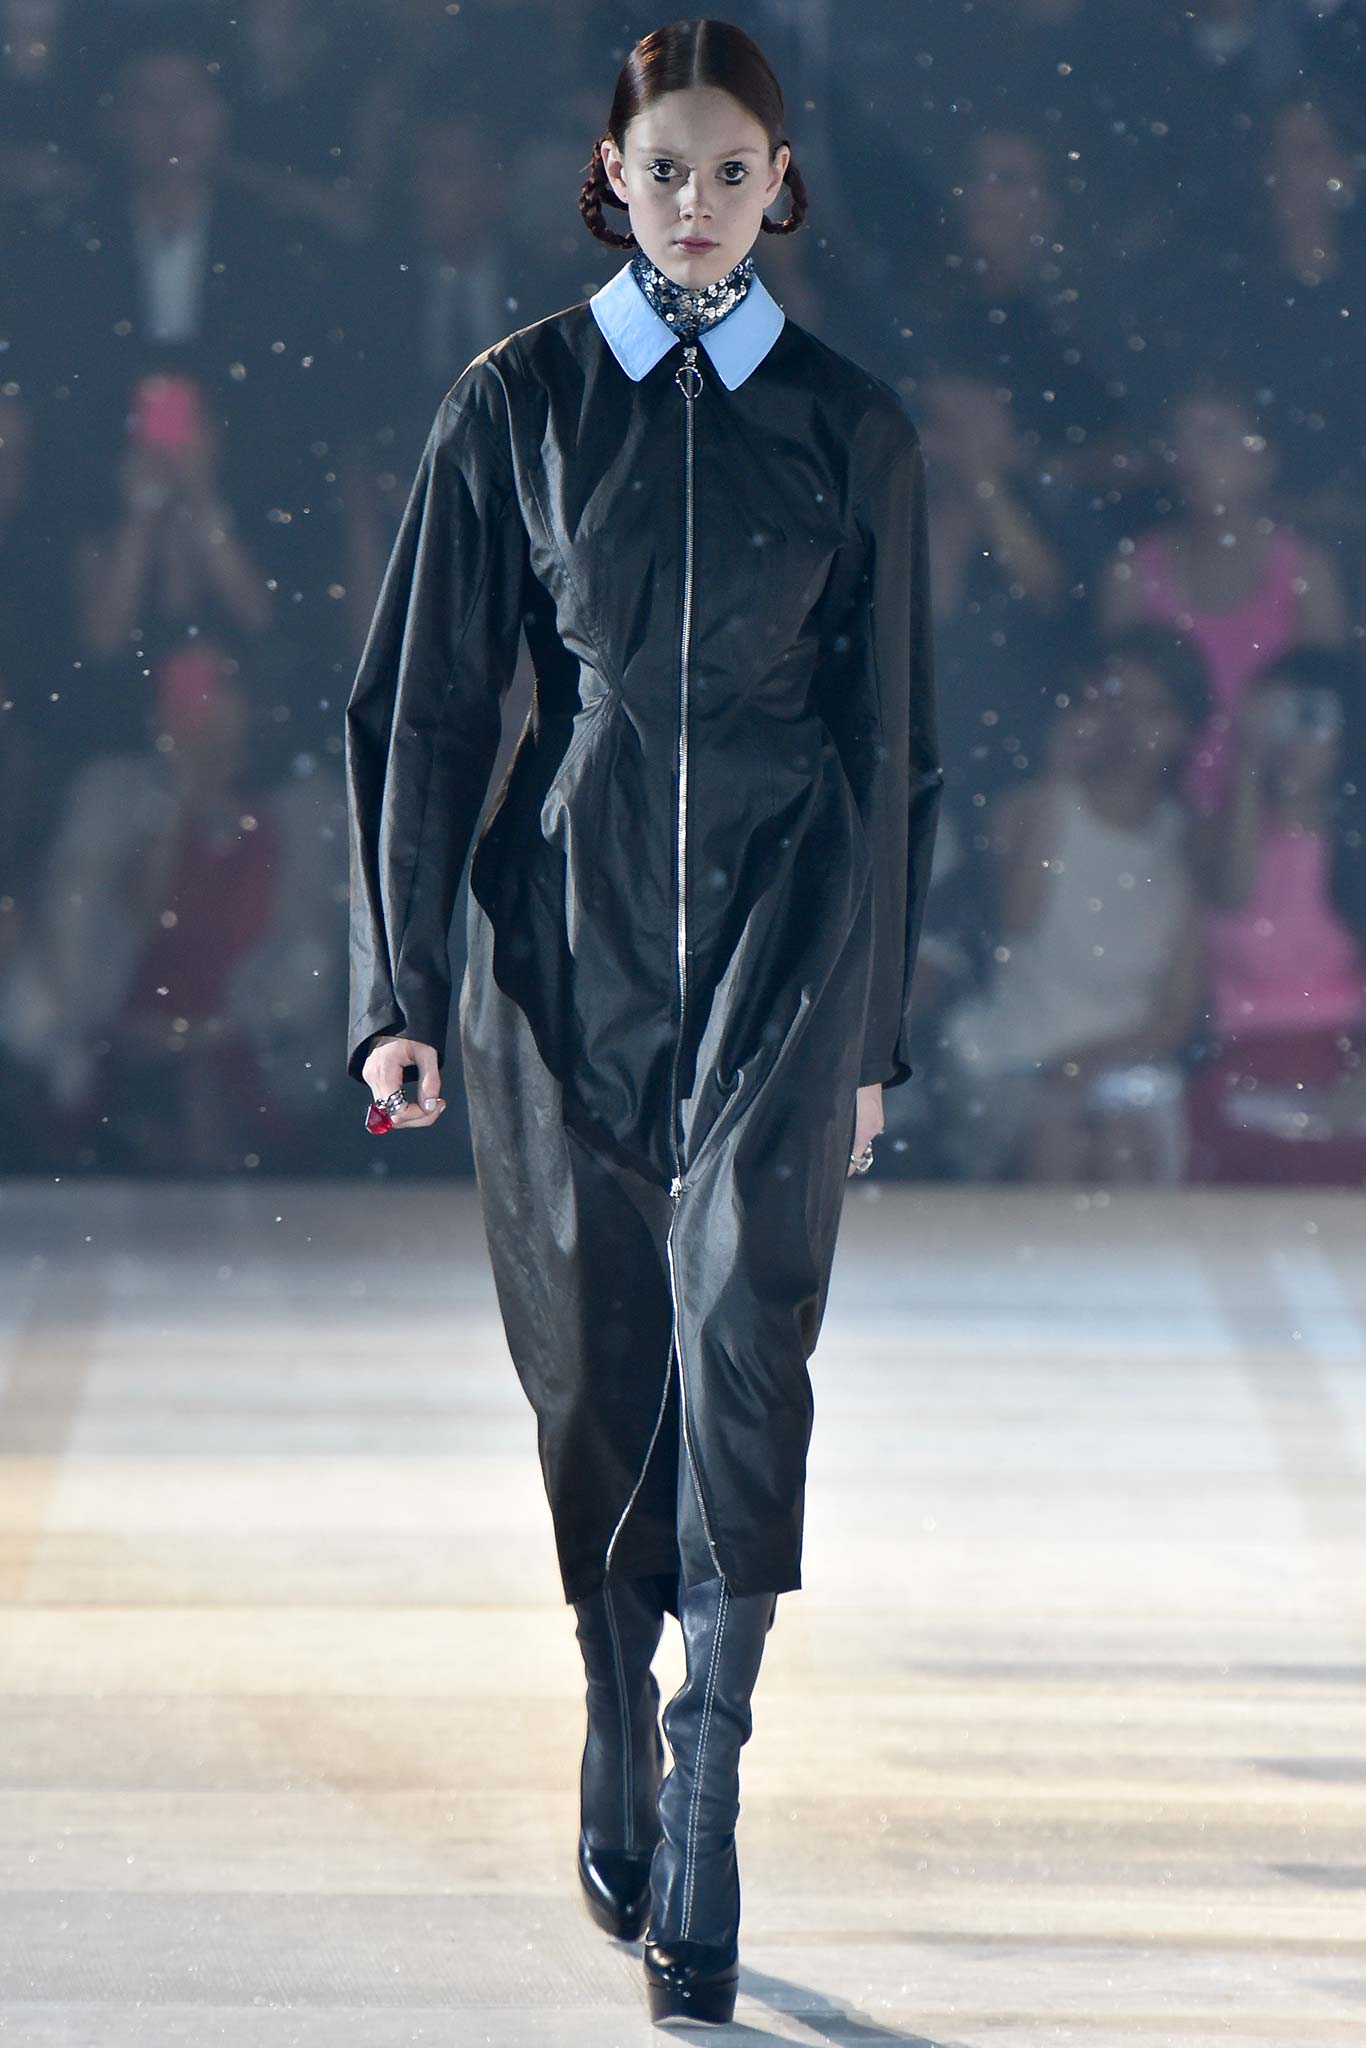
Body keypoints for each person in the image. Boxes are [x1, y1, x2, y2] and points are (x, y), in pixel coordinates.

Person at [343, 19, 942, 2027]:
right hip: (560, 933)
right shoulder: (515, 401)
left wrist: (870, 1033)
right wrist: (399, 984)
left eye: (730, 170)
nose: (695, 203)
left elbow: (892, 738)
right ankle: (619, 1698)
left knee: (743, 1326)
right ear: (611, 173)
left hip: (788, 918)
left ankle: (710, 1772)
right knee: (595, 1367)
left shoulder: (849, 426)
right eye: (662, 167)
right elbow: (424, 705)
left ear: (782, 184)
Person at [939, 626, 1212, 1184]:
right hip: (1014, 1060)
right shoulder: (1026, 809)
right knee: (1056, 1147)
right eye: (1114, 701)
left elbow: (1177, 1013)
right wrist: (1058, 778)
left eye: (1153, 710)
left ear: (1184, 729)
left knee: (1124, 1152)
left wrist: (1093, 1062)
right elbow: (1017, 919)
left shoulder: (1186, 844)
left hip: (1126, 1073)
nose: (1127, 724)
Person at [1186, 645, 1366, 1184]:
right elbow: (1235, 890)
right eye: (1280, 720)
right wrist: (1247, 757)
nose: (1294, 743)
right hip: (1239, 1057)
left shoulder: (1354, 847)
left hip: (1348, 1054)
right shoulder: (1213, 836)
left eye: (1311, 720)